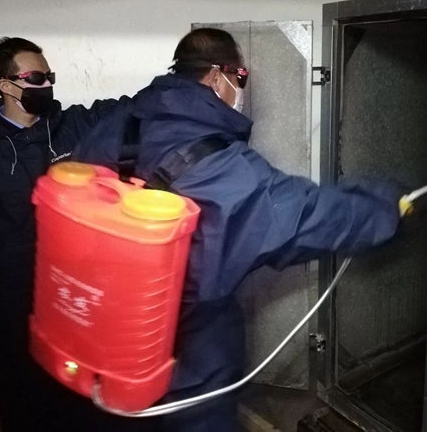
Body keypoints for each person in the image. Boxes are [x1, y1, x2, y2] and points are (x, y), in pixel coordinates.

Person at [74, 28, 403, 431]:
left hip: (105, 322)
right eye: (240, 77)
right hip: (184, 340)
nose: (241, 89)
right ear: (217, 76)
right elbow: (303, 216)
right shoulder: (219, 164)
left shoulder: (118, 123)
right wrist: (385, 208)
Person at [0, 37, 123, 431]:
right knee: (19, 375)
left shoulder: (68, 129)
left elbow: (124, 112)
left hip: (68, 281)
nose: (45, 85)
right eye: (35, 78)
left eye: (49, 77)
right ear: (6, 85)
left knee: (73, 370)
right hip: (7, 286)